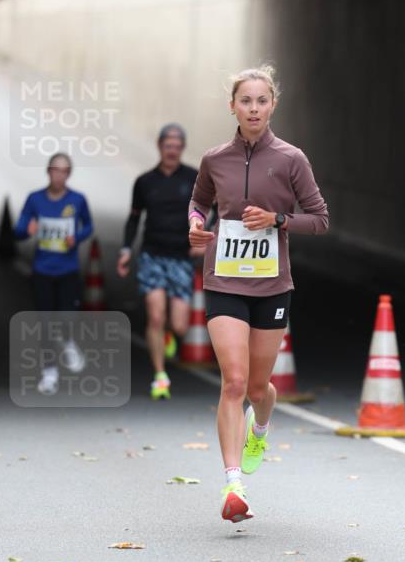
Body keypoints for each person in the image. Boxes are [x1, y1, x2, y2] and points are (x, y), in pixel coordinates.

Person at [188, 64, 329, 523]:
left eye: (261, 100)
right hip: (224, 281)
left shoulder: (291, 159)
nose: (253, 108)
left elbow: (319, 218)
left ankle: (261, 427)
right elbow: (199, 202)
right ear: (232, 106)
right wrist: (195, 225)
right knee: (233, 382)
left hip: (271, 286)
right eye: (245, 100)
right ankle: (233, 485)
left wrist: (277, 220)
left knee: (257, 388)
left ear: (273, 105)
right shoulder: (214, 159)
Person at [117, 123, 201, 399]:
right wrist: (126, 250)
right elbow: (133, 218)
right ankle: (160, 376)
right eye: (168, 146)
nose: (172, 151)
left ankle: (167, 334)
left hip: (181, 258)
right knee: (155, 315)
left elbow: (211, 210)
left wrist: (202, 239)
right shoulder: (144, 182)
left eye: (177, 147)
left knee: (179, 325)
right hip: (152, 255)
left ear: (182, 148)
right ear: (160, 146)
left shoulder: (194, 178)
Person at [13, 152, 93, 394]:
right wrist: (28, 229)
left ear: (69, 174)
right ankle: (49, 372)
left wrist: (75, 237)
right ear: (48, 171)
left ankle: (67, 341)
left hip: (68, 270)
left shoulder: (77, 200)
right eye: (55, 170)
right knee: (46, 323)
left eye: (64, 171)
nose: (59, 175)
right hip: (42, 271)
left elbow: (88, 226)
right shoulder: (35, 199)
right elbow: (17, 230)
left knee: (67, 318)